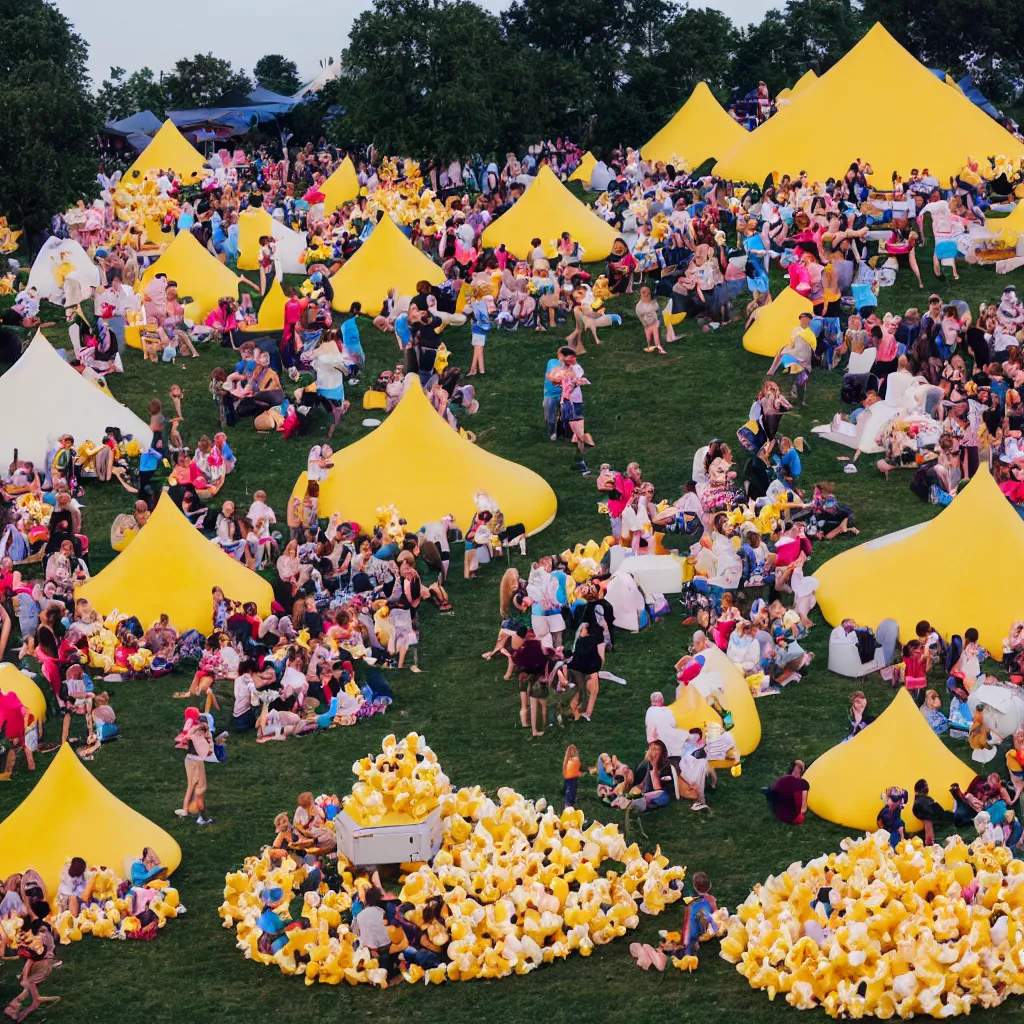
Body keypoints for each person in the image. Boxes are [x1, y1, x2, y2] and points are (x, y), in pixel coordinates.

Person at [562, 743, 581, 809]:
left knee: (568, 788)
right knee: (571, 790)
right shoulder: (574, 761)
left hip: (569, 776)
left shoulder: (569, 761)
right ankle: (568, 805)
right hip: (572, 777)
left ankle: (568, 803)